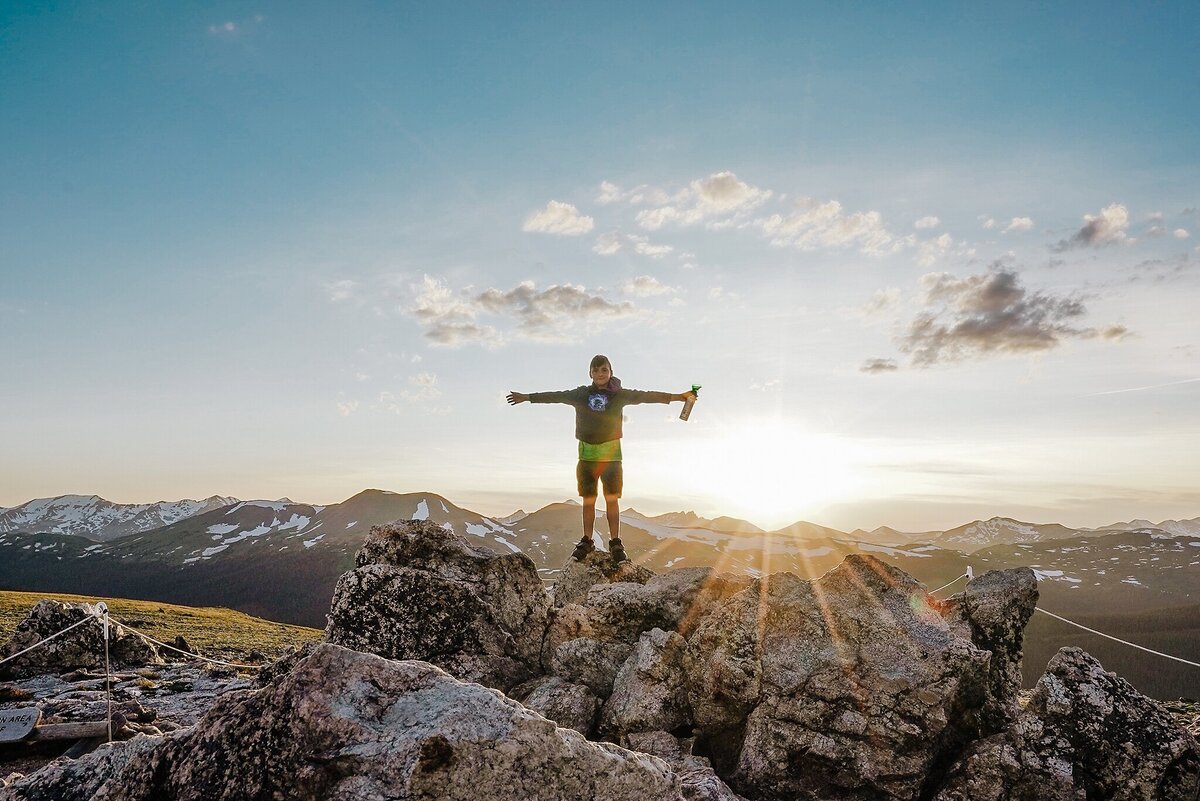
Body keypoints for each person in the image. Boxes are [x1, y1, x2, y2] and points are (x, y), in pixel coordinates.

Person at [507, 354, 696, 565]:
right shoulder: (580, 394)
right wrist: (527, 397)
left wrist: (679, 397)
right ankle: (587, 540)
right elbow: (556, 396)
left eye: (604, 370)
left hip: (612, 457)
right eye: (596, 370)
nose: (600, 374)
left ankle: (615, 542)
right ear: (590, 373)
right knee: (588, 501)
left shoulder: (620, 395)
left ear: (611, 372)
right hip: (586, 456)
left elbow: (646, 396)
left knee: (611, 500)